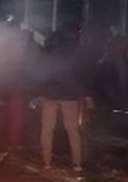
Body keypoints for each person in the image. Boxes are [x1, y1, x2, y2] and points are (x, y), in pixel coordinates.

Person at [35, 24, 94, 172]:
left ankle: (47, 162)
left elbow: (39, 74)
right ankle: (77, 163)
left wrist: (37, 94)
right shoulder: (75, 52)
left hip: (49, 94)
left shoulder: (47, 51)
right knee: (73, 129)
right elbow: (81, 75)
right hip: (70, 94)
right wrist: (86, 95)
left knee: (47, 129)